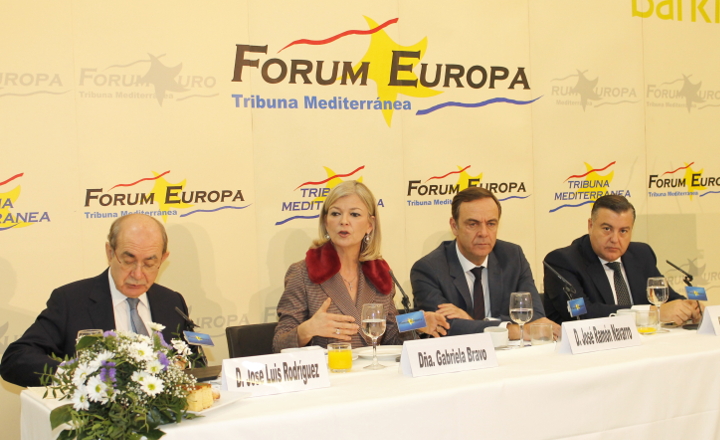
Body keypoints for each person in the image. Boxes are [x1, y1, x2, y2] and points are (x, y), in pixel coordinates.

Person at [0, 214, 192, 387]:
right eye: (128, 261)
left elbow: (193, 361)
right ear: (110, 253)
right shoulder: (71, 301)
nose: (138, 274)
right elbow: (15, 359)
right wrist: (74, 374)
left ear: (163, 259)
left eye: (149, 263)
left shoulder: (171, 302)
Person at [273, 181, 449, 352]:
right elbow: (278, 344)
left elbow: (390, 335)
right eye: (335, 213)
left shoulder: (379, 274)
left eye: (354, 214)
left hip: (373, 371)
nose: (344, 221)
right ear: (326, 222)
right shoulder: (303, 273)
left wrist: (417, 321)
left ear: (369, 225)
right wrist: (307, 330)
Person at [411, 187, 559, 339]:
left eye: (491, 223)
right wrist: (513, 331)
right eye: (473, 224)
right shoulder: (429, 269)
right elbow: (444, 326)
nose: (483, 233)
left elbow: (535, 316)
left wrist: (477, 322)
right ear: (454, 226)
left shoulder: (513, 257)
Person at [543, 194, 702, 323]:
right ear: (590, 226)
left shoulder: (641, 254)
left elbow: (665, 299)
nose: (615, 239)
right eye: (607, 229)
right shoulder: (563, 261)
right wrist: (652, 313)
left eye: (623, 231)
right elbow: (581, 314)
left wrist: (689, 307)